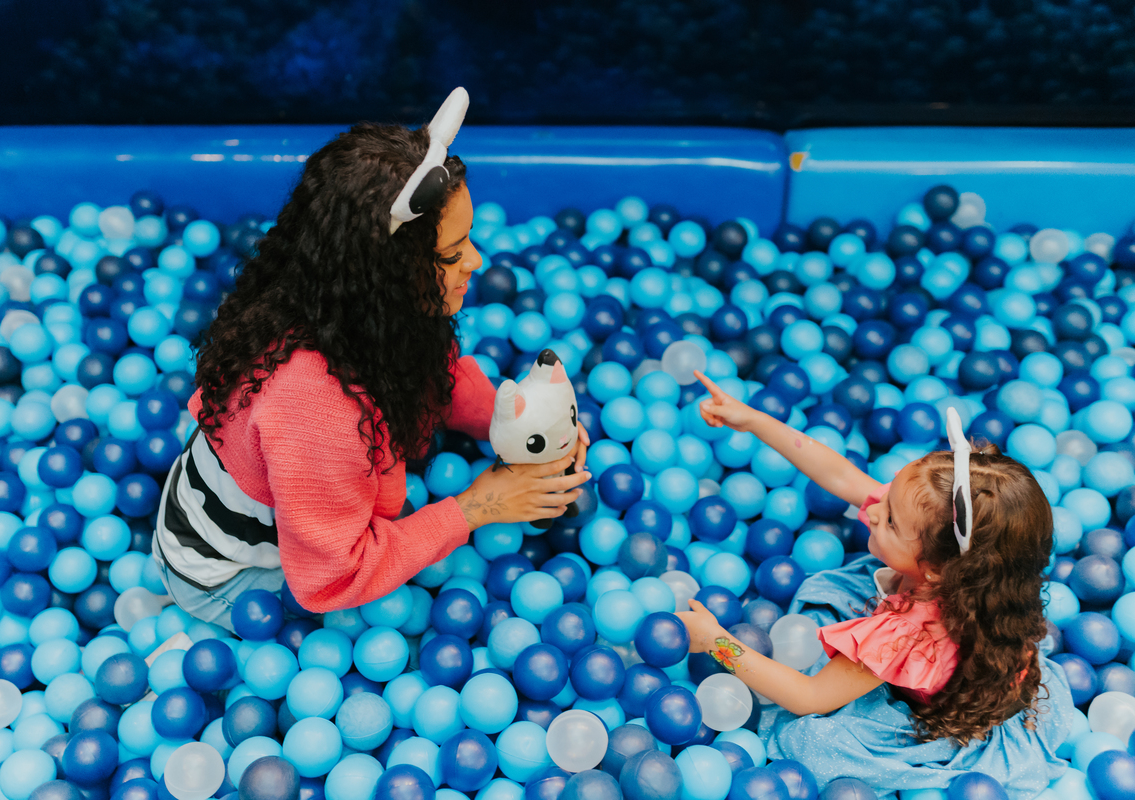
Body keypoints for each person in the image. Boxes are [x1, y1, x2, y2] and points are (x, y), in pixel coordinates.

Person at [152, 89, 591, 630]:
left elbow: (440, 376)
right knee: (397, 627)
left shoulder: (359, 308)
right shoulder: (317, 410)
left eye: (468, 240)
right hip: (227, 576)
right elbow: (331, 577)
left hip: (292, 502)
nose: (476, 262)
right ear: (388, 272)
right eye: (452, 254)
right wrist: (478, 507)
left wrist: (526, 423)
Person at [677, 372, 1073, 799]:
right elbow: (843, 477)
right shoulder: (982, 564)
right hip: (976, 664)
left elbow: (809, 697)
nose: (871, 511)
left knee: (810, 743)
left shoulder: (906, 634)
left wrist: (716, 642)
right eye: (885, 503)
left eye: (888, 522)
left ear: (937, 570)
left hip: (940, 701)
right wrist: (753, 420)